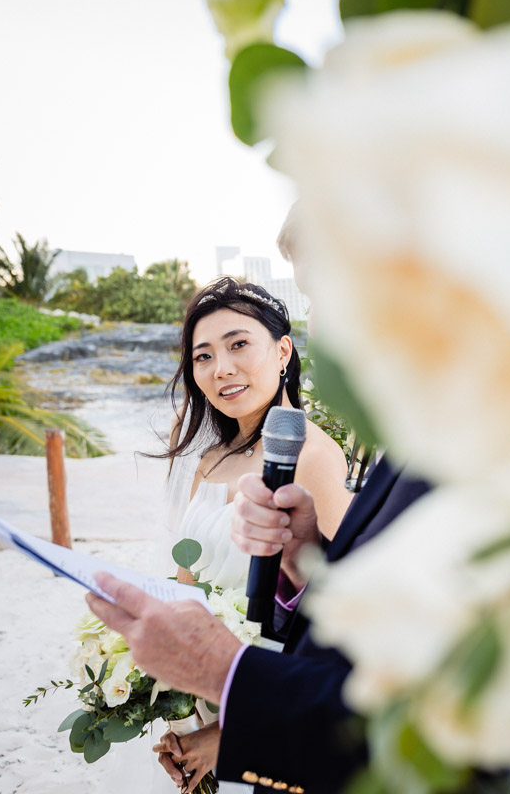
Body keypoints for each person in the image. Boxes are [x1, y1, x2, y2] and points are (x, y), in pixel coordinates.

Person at [141, 274, 355, 792]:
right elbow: (184, 583)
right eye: (204, 356)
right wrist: (171, 701)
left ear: (283, 351)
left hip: (268, 712)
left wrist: (232, 731)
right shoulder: (211, 458)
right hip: (198, 700)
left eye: (239, 345)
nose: (222, 369)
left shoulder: (312, 457)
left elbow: (331, 624)